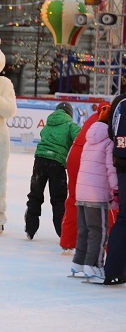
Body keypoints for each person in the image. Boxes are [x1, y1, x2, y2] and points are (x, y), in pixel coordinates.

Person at [69, 106, 116, 281]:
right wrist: (115, 190)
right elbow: (110, 169)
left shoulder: (89, 139)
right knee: (99, 231)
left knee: (84, 230)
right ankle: (94, 265)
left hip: (82, 191)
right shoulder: (109, 141)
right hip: (97, 194)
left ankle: (78, 263)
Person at [24, 102, 80, 240]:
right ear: (70, 114)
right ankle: (62, 233)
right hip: (57, 164)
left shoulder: (48, 124)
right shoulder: (70, 125)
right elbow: (79, 138)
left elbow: (43, 134)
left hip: (40, 161)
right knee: (58, 199)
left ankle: (30, 230)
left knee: (35, 195)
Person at [60, 102, 110, 253]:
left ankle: (68, 241)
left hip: (75, 155)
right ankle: (110, 245)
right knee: (106, 200)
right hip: (89, 158)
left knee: (74, 199)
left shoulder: (93, 119)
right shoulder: (108, 121)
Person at [104, 93, 126, 285]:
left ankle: (114, 269)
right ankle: (115, 270)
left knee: (124, 218)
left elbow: (112, 132)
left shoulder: (119, 101)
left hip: (121, 163)